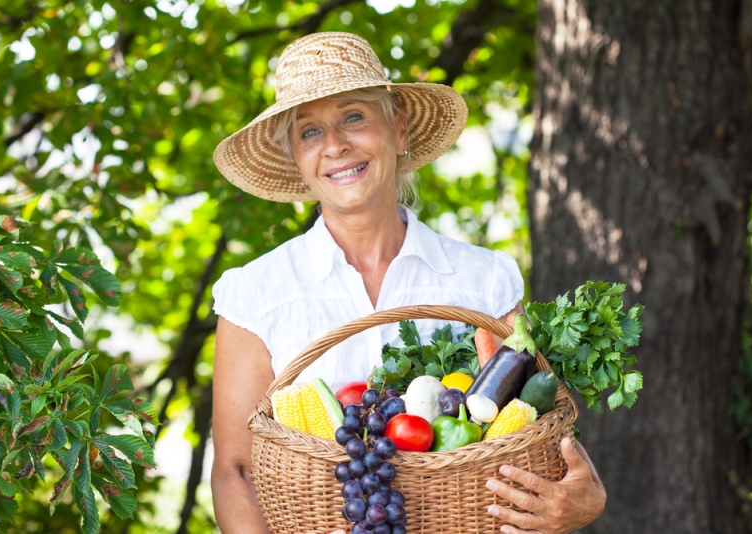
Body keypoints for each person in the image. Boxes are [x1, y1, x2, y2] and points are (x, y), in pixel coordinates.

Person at [210, 32, 606, 534]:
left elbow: (533, 432)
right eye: (309, 132)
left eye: (353, 117)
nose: (334, 145)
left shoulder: (485, 280)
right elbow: (235, 472)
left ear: (398, 131)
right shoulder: (254, 292)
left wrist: (582, 499)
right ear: (295, 157)